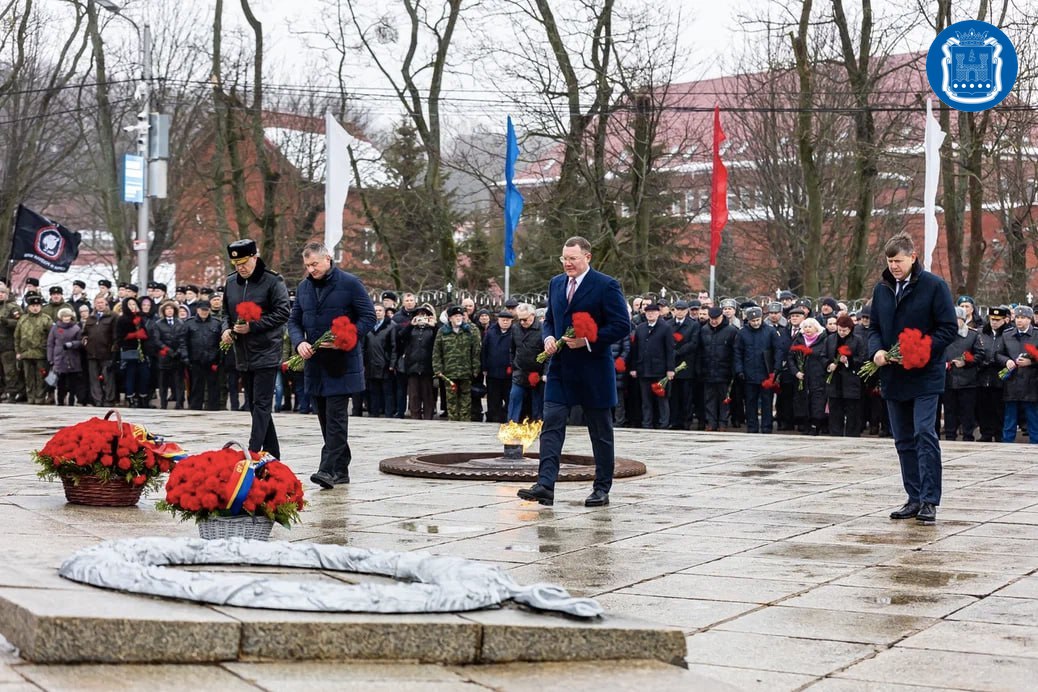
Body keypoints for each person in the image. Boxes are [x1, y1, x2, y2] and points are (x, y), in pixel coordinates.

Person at [517, 236, 630, 507]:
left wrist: (588, 340)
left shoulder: (606, 285)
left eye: (573, 259)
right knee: (551, 425)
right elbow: (551, 321)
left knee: (600, 432)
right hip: (560, 369)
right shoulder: (556, 283)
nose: (567, 264)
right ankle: (545, 485)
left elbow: (621, 325)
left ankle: (601, 488)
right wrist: (548, 338)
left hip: (593, 370)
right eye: (564, 259)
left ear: (587, 258)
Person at [868, 231, 957, 525]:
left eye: (899, 260)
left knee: (924, 433)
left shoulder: (933, 286)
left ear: (913, 257)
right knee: (904, 439)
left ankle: (930, 500)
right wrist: (877, 351)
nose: (894, 266)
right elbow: (874, 329)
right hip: (894, 376)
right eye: (890, 261)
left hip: (925, 375)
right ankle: (914, 497)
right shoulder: (882, 289)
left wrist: (920, 349)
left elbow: (947, 328)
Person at [288, 242, 376, 488]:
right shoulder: (304, 287)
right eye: (307, 265)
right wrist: (299, 343)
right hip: (315, 364)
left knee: (336, 419)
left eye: (314, 264)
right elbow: (294, 321)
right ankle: (342, 469)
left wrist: (344, 339)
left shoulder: (350, 283)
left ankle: (326, 470)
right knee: (326, 420)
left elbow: (368, 317)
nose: (311, 269)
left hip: (342, 362)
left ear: (327, 259)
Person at [221, 238, 291, 457]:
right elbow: (225, 312)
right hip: (242, 352)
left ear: (254, 257)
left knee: (261, 404)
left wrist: (253, 327)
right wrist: (226, 329)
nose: (240, 267)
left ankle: (253, 451)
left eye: (244, 262)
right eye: (236, 264)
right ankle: (273, 454)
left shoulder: (272, 281)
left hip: (266, 350)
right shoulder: (231, 282)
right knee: (254, 405)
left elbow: (283, 313)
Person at [997, 305, 1038, 444]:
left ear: (1030, 319)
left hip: (1031, 382)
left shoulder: (1036, 334)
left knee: (1033, 416)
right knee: (1010, 417)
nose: (1019, 320)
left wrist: (1031, 362)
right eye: (1018, 317)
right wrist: (1006, 361)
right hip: (1012, 382)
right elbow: (998, 354)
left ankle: (1035, 444)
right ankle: (1007, 443)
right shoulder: (1007, 334)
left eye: (1023, 318)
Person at [433, 305, 482, 422]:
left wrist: (476, 369)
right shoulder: (443, 332)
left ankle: (465, 421)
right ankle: (453, 421)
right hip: (449, 372)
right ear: (450, 318)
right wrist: (437, 369)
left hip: (466, 371)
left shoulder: (471, 330)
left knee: (466, 398)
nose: (458, 318)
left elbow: (476, 351)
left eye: (460, 316)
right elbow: (436, 352)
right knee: (451, 399)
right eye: (455, 316)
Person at [185, 299, 223, 410]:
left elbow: (221, 343)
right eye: (202, 310)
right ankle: (195, 407)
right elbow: (184, 342)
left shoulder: (216, 323)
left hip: (212, 360)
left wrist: (219, 359)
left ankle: (213, 407)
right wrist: (186, 358)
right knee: (196, 385)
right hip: (195, 360)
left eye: (206, 310)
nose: (204, 312)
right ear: (197, 310)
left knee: (214, 386)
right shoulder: (189, 323)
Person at [46, 307, 85, 405]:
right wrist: (50, 358)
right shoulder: (55, 328)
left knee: (73, 382)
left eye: (68, 316)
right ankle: (60, 401)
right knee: (60, 382)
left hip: (72, 357)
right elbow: (50, 344)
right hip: (59, 357)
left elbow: (81, 342)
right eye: (64, 316)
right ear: (61, 317)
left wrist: (72, 344)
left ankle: (71, 400)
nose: (66, 318)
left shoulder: (76, 328)